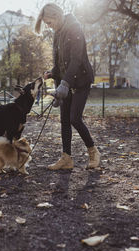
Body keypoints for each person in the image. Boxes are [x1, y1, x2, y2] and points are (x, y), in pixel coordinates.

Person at [35, 3, 100, 170]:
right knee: (64, 120)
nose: (49, 26)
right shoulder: (57, 34)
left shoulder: (74, 29)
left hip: (81, 80)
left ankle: (93, 152)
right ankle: (66, 158)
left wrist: (64, 83)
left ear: (56, 17)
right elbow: (60, 63)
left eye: (49, 22)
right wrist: (52, 72)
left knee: (74, 118)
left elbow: (76, 60)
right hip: (65, 82)